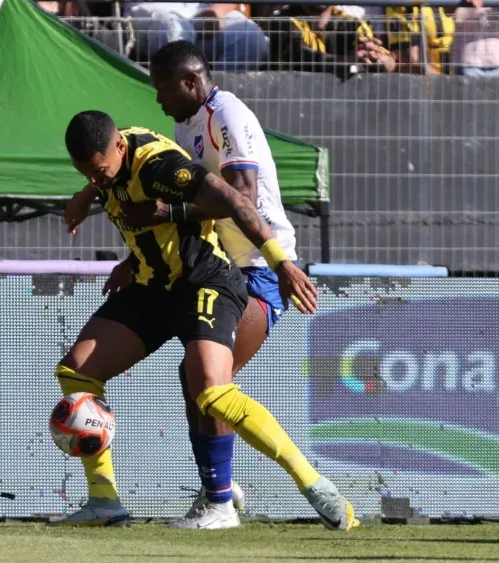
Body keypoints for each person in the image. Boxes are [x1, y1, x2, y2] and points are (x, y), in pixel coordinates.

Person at [54, 110, 356, 531]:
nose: (96, 180)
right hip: (152, 285)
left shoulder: (160, 165)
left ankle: (312, 484)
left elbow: (234, 201)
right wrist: (89, 196)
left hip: (205, 282)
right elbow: (111, 184)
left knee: (211, 391)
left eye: (99, 172)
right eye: (86, 173)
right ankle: (104, 500)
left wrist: (282, 265)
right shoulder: (108, 160)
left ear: (119, 148)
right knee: (76, 370)